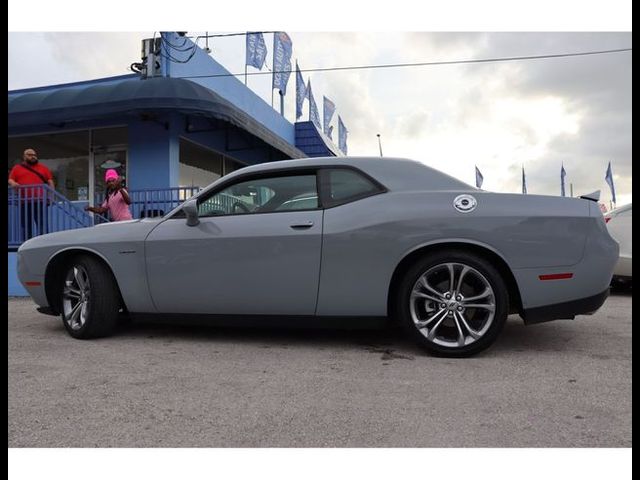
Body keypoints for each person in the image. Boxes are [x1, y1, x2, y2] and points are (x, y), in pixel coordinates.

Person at [8, 148, 55, 241]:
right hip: (24, 202)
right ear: (24, 156)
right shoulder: (17, 168)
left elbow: (50, 182)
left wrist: (51, 197)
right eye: (29, 155)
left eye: (34, 155)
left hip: (40, 201)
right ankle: (27, 244)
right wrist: (13, 183)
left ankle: (44, 243)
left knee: (42, 225)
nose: (33, 156)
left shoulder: (43, 168)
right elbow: (10, 179)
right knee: (25, 225)